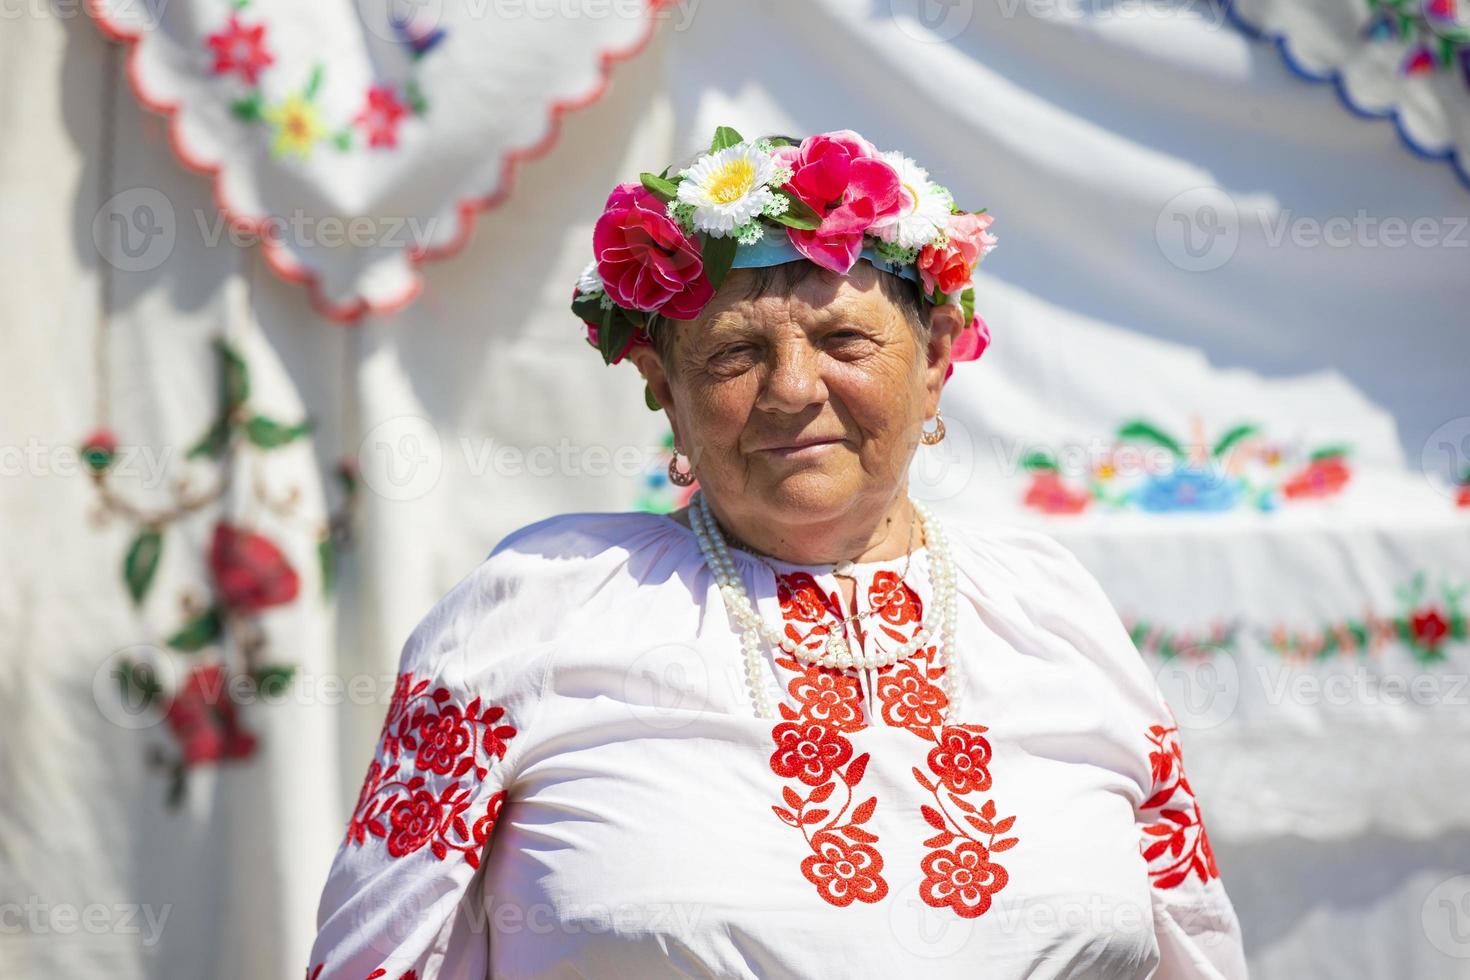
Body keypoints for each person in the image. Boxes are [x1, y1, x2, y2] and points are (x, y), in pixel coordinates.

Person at [306, 127, 1247, 979]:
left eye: (845, 338)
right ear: (664, 391)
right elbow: (375, 963)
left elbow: (1195, 953)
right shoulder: (537, 608)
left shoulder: (1052, 612)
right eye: (731, 355)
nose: (794, 389)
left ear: (936, 361)